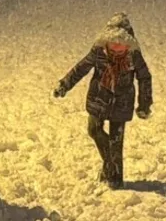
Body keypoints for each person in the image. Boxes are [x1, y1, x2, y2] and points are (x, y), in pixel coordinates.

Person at [54, 13, 153, 190]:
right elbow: (82, 67)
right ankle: (110, 163)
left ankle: (115, 180)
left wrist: (144, 104)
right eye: (113, 43)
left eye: (120, 44)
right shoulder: (99, 51)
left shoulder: (133, 56)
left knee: (116, 141)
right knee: (94, 129)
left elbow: (144, 77)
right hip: (98, 99)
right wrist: (65, 84)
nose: (116, 47)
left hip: (122, 103)